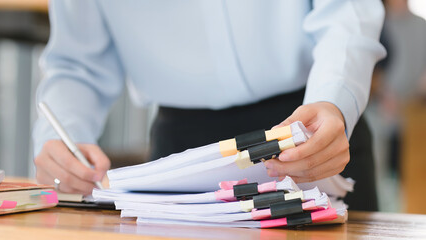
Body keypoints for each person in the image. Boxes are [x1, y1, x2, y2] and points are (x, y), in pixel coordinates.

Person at [32, 0, 386, 211]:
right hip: (181, 153)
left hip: (313, 131)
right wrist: (61, 138)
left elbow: (346, 15)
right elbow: (79, 64)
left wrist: (335, 99)